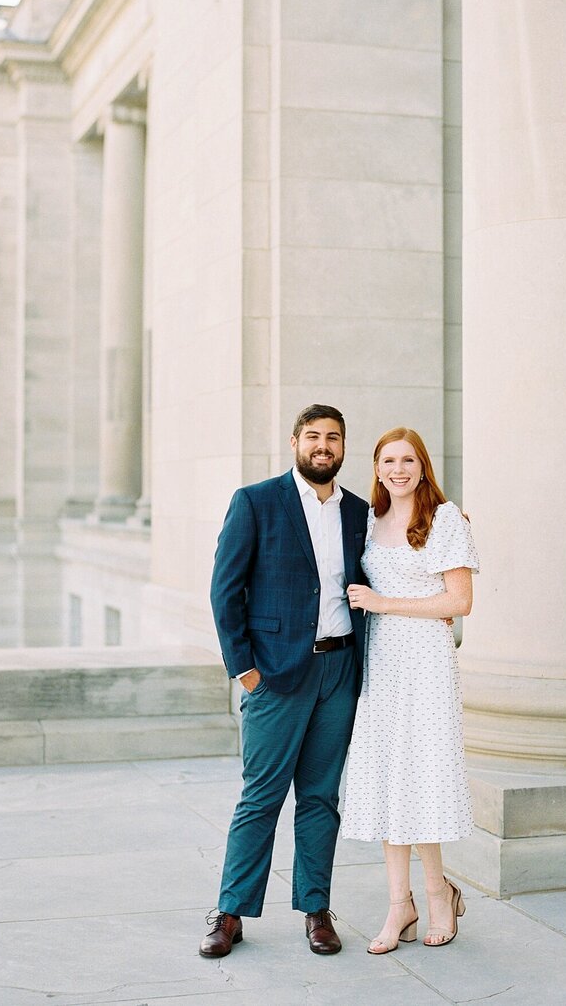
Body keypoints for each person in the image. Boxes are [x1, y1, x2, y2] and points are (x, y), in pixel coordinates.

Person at [200, 405, 368, 958]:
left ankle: (315, 910)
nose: (324, 446)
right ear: (296, 441)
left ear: (343, 447)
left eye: (334, 438)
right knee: (261, 796)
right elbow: (225, 591)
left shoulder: (359, 513)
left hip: (338, 671)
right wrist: (245, 671)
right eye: (314, 436)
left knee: (321, 798)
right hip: (275, 673)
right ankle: (230, 912)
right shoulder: (257, 501)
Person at [341, 426, 479, 952]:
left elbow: (459, 602)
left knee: (420, 777)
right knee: (386, 779)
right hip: (380, 664)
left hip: (425, 664)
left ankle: (437, 892)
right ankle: (400, 905)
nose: (399, 469)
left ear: (423, 467)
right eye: (389, 461)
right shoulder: (368, 523)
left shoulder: (444, 519)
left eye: (409, 460)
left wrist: (384, 603)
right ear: (376, 469)